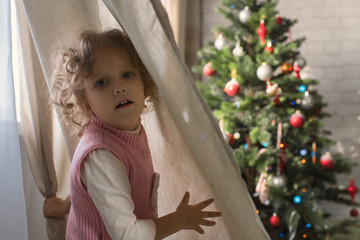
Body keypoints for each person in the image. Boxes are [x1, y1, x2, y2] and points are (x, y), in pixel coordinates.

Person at [47, 29, 221, 239]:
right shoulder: (101, 155)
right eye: (102, 82)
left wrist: (63, 207)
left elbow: (93, 188)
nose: (119, 88)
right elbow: (128, 236)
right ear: (85, 104)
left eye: (127, 75)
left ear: (145, 84)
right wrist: (179, 220)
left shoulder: (124, 132)